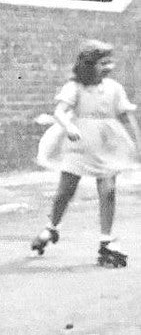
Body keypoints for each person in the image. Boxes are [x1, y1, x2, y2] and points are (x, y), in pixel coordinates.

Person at [32, 40, 141, 267]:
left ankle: (106, 239)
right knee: (66, 190)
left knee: (109, 190)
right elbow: (60, 111)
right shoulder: (75, 87)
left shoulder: (114, 88)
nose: (108, 67)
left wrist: (137, 140)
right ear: (89, 65)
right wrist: (69, 126)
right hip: (79, 144)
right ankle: (51, 227)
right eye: (103, 63)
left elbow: (125, 116)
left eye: (109, 62)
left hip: (107, 145)